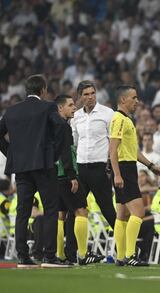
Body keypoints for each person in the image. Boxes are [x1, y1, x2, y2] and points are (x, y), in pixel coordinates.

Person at [0, 74, 68, 268]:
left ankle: (23, 256)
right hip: (44, 166)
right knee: (50, 209)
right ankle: (49, 256)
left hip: (22, 170)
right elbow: (63, 128)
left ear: (26, 91)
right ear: (43, 90)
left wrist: (13, 154)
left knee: (22, 212)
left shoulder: (12, 111)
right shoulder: (48, 107)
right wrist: (54, 155)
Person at [109, 85, 160, 266]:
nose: (137, 101)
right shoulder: (119, 119)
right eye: (134, 98)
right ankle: (131, 255)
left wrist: (150, 165)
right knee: (138, 213)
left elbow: (133, 151)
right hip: (123, 169)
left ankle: (120, 257)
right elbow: (112, 149)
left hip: (127, 166)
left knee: (122, 214)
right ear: (123, 100)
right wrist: (117, 174)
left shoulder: (127, 120)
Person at [54, 94, 104, 265]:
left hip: (55, 176)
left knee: (61, 215)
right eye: (70, 105)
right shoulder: (63, 127)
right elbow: (66, 153)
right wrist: (72, 176)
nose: (74, 107)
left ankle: (59, 255)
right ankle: (82, 255)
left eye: (74, 105)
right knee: (81, 211)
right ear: (60, 108)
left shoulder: (53, 126)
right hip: (66, 176)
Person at [71, 80, 116, 228]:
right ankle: (72, 250)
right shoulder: (76, 116)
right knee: (76, 209)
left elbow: (114, 142)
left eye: (92, 93)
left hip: (100, 168)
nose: (90, 97)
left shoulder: (108, 113)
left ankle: (128, 247)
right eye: (86, 94)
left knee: (107, 209)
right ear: (80, 97)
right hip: (81, 167)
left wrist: (111, 166)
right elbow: (74, 143)